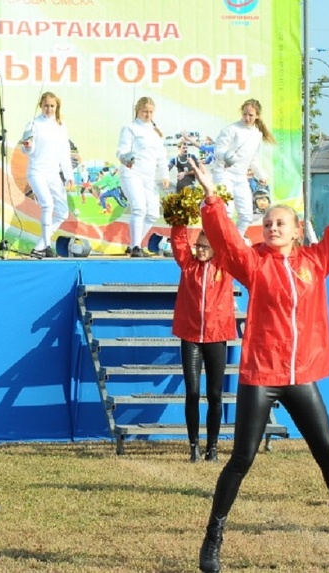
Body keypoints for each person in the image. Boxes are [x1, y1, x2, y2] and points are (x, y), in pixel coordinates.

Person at [191, 140, 329, 573]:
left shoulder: (315, 260)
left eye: (280, 222)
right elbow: (226, 241)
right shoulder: (254, 265)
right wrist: (212, 198)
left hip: (301, 374)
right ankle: (212, 539)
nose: (272, 227)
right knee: (241, 459)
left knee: (328, 454)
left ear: (297, 228)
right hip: (261, 375)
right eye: (267, 223)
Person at [170, 230, 236, 463]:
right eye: (197, 245)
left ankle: (213, 448)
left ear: (215, 249)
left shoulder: (224, 265)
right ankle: (194, 446)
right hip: (190, 337)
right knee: (193, 392)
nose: (199, 250)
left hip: (216, 336)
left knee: (215, 394)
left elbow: (230, 242)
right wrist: (179, 217)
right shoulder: (188, 265)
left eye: (205, 247)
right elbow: (178, 242)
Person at [19, 92, 74, 258]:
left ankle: (40, 246)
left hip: (53, 173)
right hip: (37, 171)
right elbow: (27, 149)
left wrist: (69, 175)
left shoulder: (61, 125)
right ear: (41, 106)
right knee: (47, 205)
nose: (49, 109)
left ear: (56, 107)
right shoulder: (33, 124)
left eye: (52, 106)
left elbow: (64, 152)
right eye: (46, 105)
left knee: (62, 212)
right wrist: (27, 146)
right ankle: (47, 246)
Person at [213, 99, 276, 238]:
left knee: (246, 214)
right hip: (224, 173)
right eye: (245, 114)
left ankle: (235, 241)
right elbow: (218, 151)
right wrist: (226, 156)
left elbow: (253, 159)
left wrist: (261, 175)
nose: (247, 118)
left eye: (251, 115)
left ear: (257, 116)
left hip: (240, 176)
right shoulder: (231, 130)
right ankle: (221, 241)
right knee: (227, 211)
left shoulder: (257, 134)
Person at [116, 96, 170, 257]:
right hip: (132, 173)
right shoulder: (130, 128)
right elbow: (121, 150)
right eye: (144, 111)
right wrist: (126, 158)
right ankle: (135, 247)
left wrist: (164, 175)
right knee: (139, 208)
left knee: (153, 213)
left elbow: (161, 156)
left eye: (150, 112)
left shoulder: (155, 133)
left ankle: (134, 243)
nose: (147, 115)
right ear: (137, 111)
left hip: (149, 176)